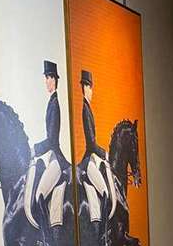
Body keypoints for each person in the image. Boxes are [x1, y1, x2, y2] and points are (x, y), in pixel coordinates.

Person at [25, 61, 70, 230]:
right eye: (45, 78)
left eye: (47, 78)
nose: (45, 82)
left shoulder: (55, 104)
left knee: (40, 195)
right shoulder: (51, 102)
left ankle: (48, 240)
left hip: (57, 158)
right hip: (52, 156)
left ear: (53, 79)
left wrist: (34, 150)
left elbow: (51, 140)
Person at [78, 70, 116, 224]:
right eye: (89, 87)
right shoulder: (85, 110)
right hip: (88, 159)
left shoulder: (88, 108)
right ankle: (103, 232)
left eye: (90, 87)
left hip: (92, 157)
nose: (91, 91)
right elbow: (91, 143)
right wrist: (104, 154)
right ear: (85, 88)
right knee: (105, 192)